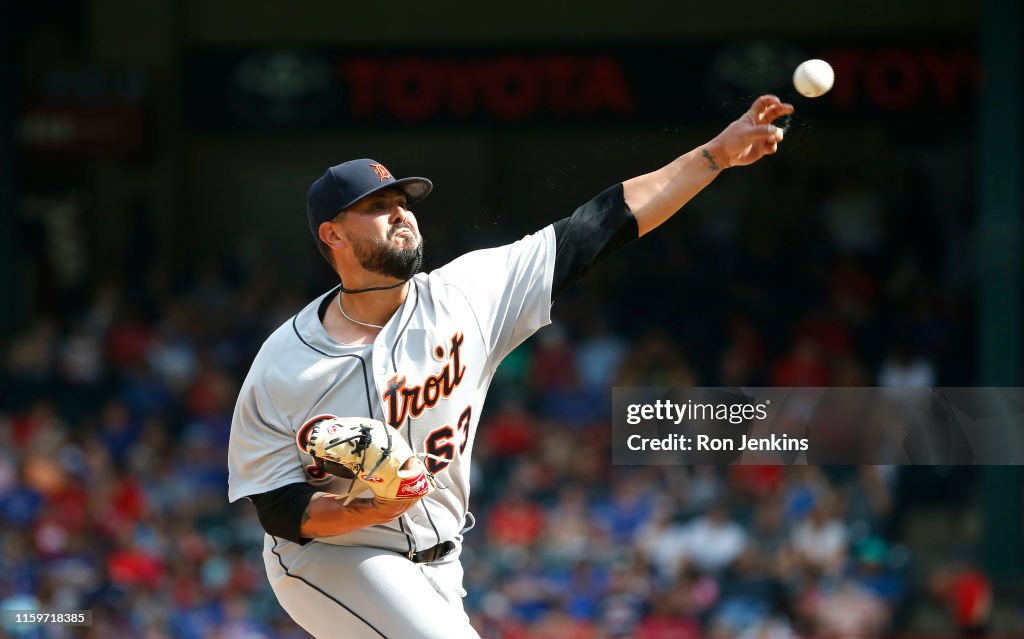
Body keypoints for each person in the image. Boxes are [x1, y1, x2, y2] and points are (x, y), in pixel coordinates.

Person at [227, 95, 793, 638]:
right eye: (377, 207)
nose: (401, 214)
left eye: (403, 203)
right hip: (332, 561)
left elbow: (600, 225)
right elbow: (279, 510)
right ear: (333, 235)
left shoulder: (468, 293)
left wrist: (715, 155)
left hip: (443, 562)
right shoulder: (285, 364)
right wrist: (370, 507)